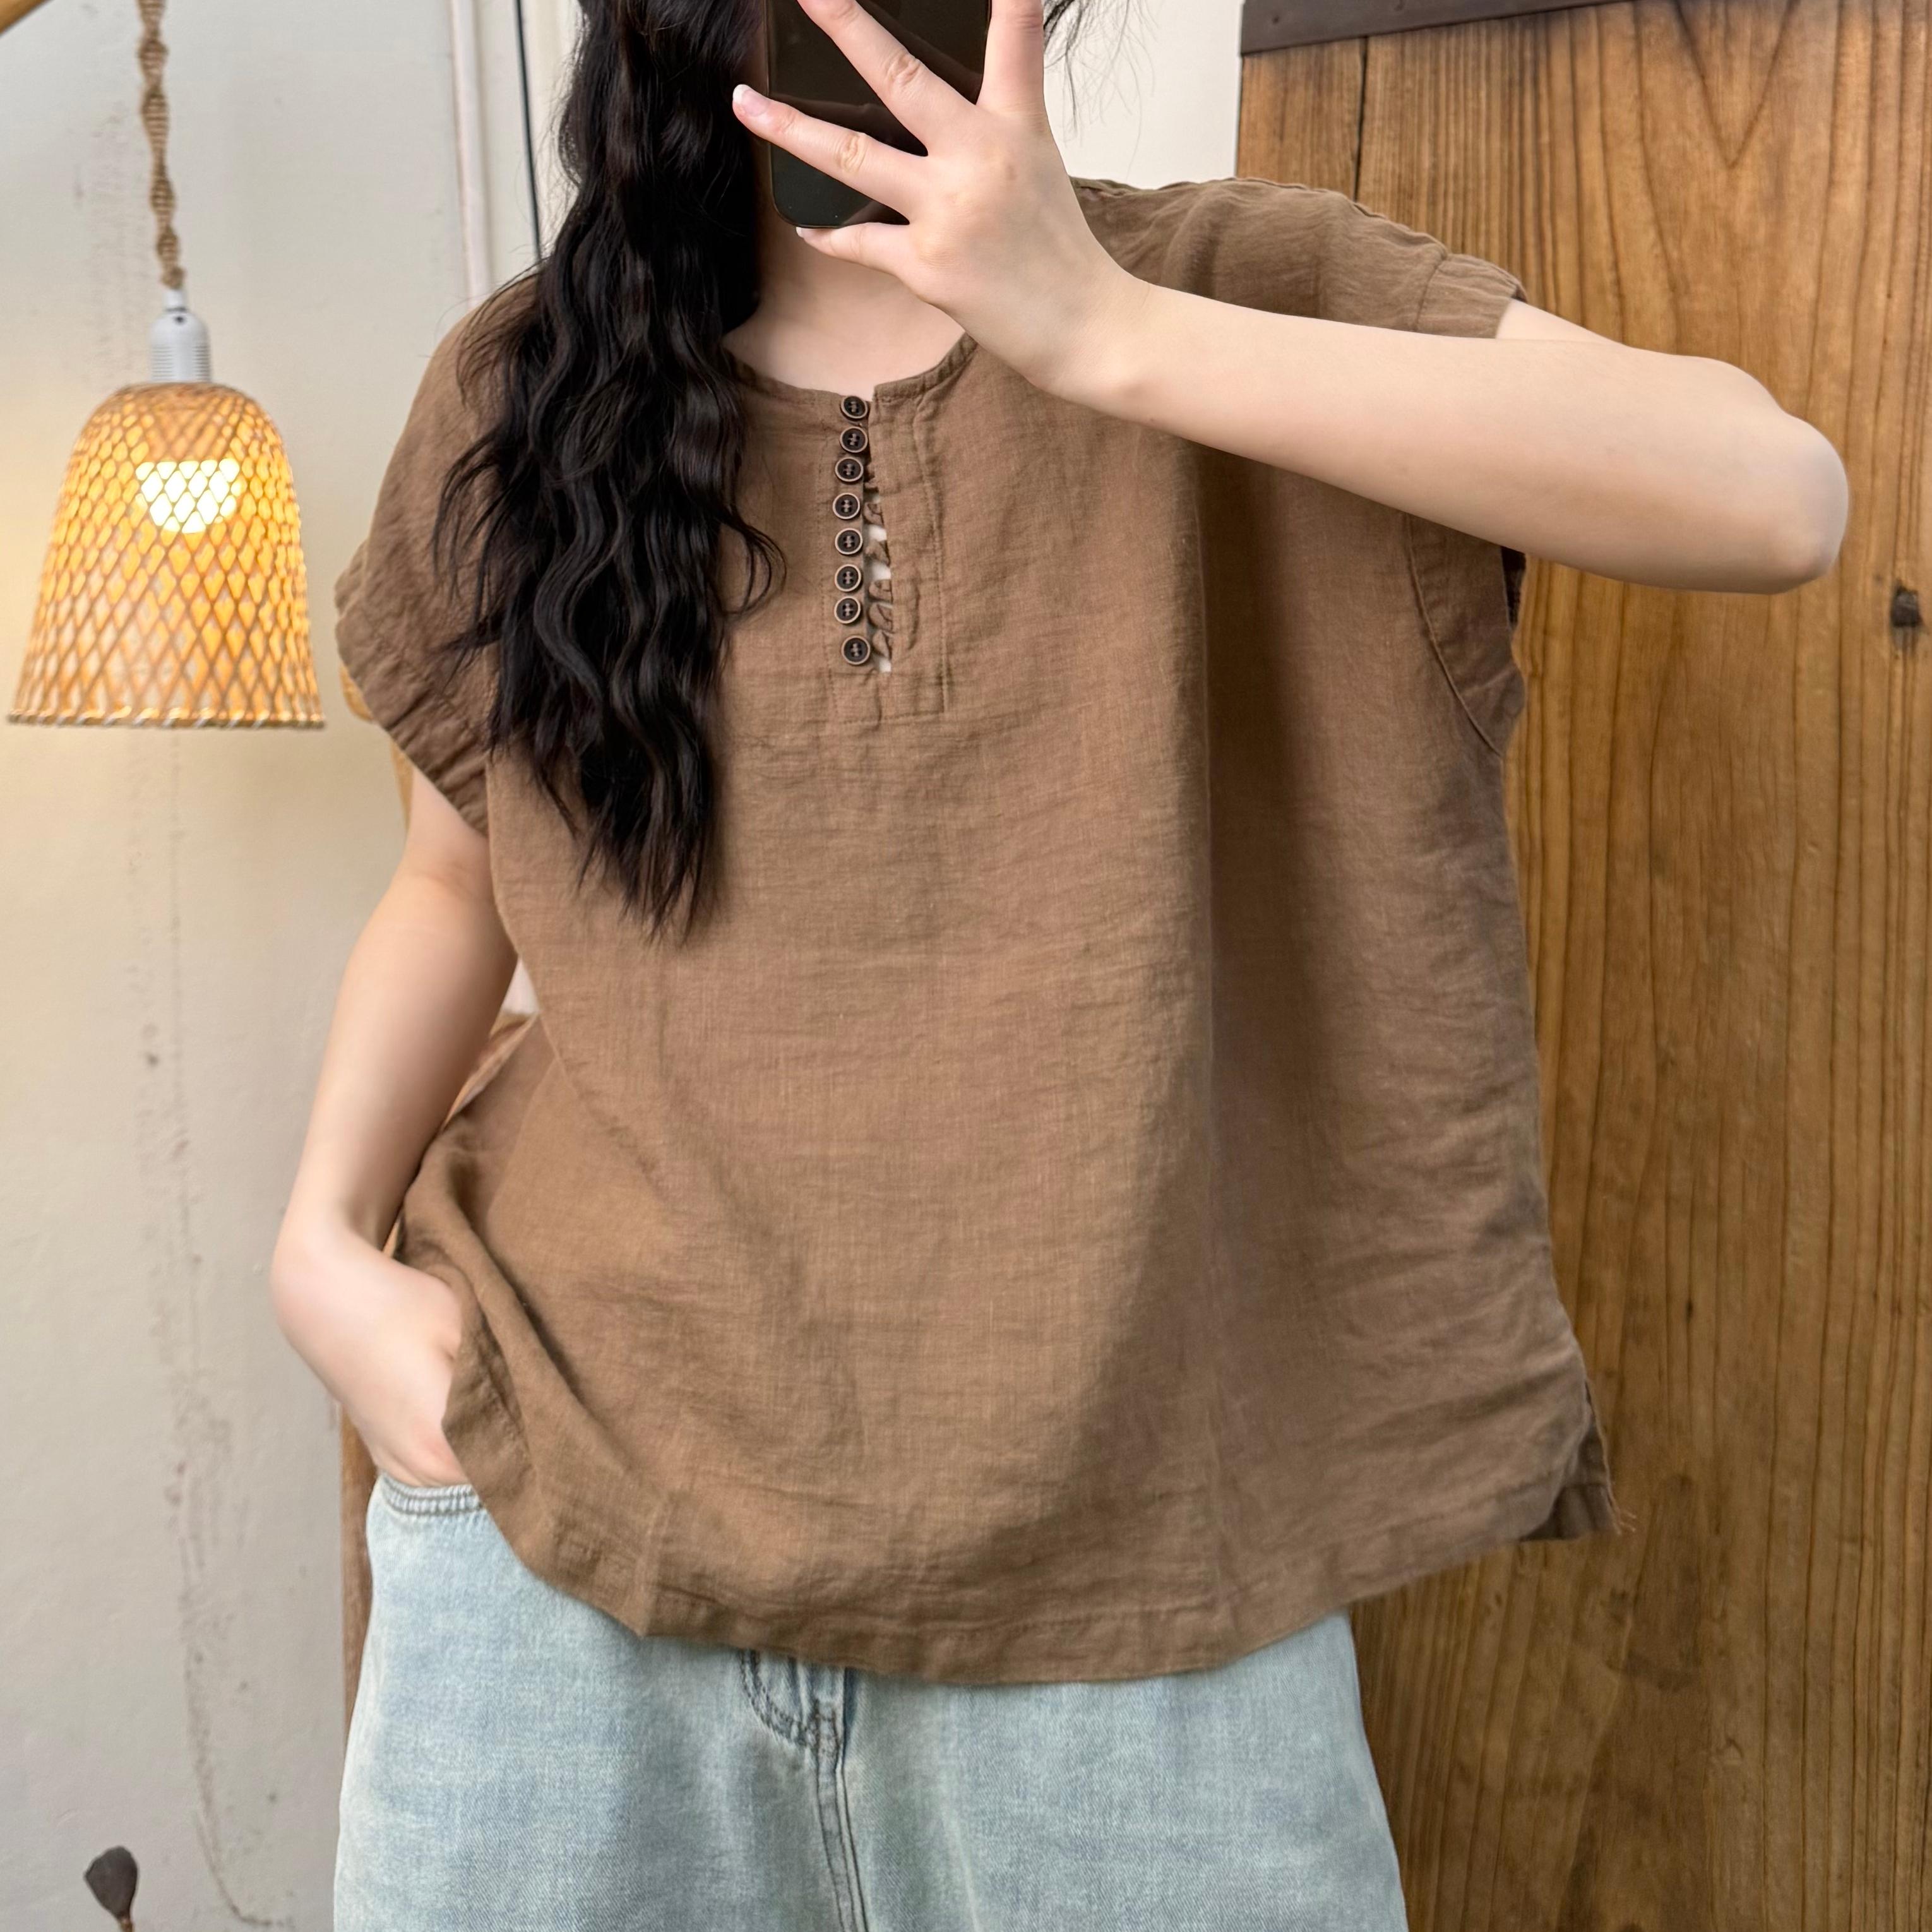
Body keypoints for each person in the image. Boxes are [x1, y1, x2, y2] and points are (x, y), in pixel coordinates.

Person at [273, 1, 1848, 1926]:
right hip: (570, 1559)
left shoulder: (1236, 287)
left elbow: (1776, 494)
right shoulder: (527, 385)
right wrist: (321, 1251)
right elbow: (456, 880)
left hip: (1138, 1605)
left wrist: (1100, 328)